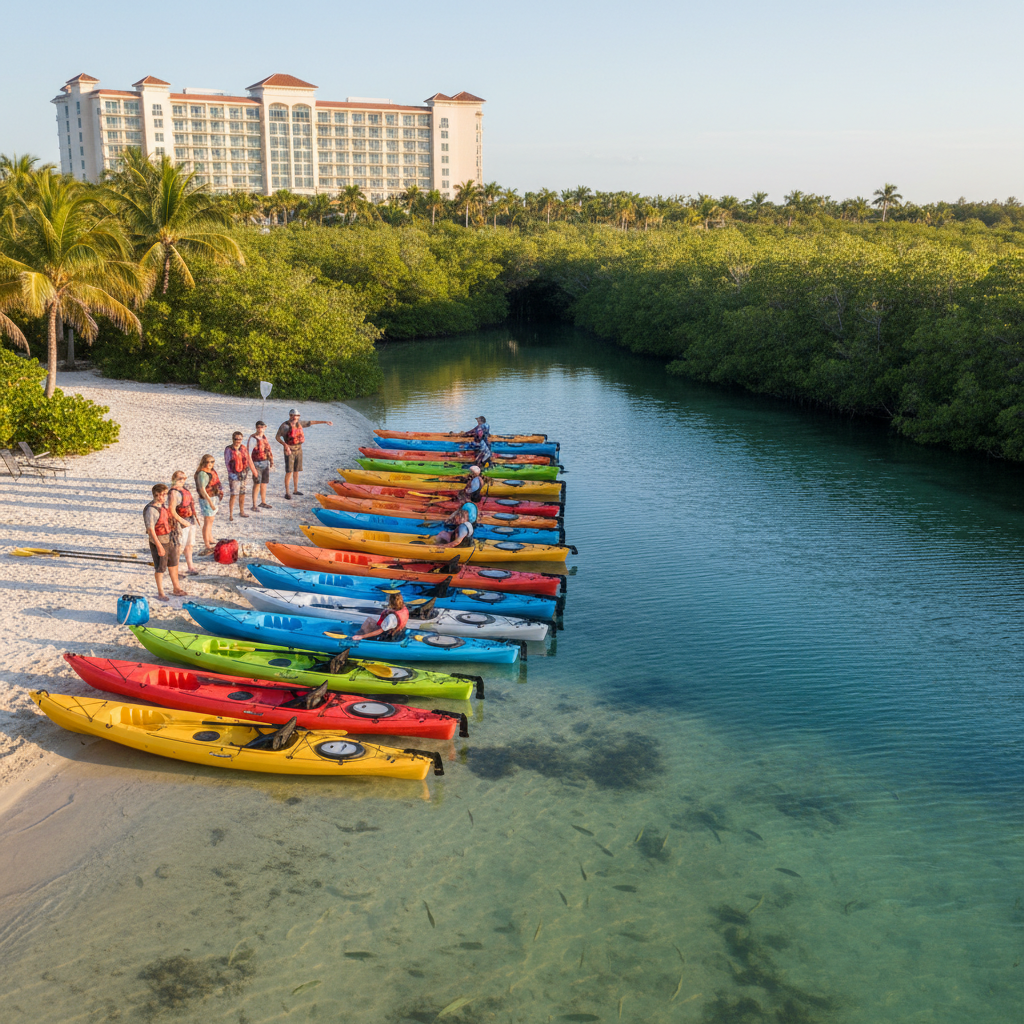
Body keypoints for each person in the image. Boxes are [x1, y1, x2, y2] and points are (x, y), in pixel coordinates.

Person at [276, 409, 333, 500]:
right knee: (289, 471)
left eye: (296, 416)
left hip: (299, 448)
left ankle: (295, 490)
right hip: (289, 449)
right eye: (292, 415)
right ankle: (287, 492)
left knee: (296, 470)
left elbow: (311, 422)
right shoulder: (285, 426)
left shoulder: (300, 423)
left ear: (299, 416)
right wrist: (285, 445)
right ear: (289, 416)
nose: (294, 417)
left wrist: (325, 422)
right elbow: (277, 437)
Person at [143, 484, 185, 601]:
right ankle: (160, 592)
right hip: (160, 541)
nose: (163, 497)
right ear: (155, 495)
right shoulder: (151, 510)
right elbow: (151, 530)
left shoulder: (162, 506)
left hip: (169, 538)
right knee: (160, 567)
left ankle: (176, 588)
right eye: (160, 495)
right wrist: (159, 546)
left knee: (173, 564)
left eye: (164, 494)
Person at [168, 469, 200, 576]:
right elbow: (171, 511)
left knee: (189, 545)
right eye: (180, 478)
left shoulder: (184, 489)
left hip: (190, 519)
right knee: (178, 547)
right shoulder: (173, 492)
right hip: (180, 522)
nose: (183, 480)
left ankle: (190, 566)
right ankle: (174, 570)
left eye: (184, 478)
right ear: (174, 479)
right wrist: (182, 522)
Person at [224, 431, 256, 522]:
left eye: (240, 439)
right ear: (233, 439)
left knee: (242, 493)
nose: (238, 441)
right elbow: (227, 463)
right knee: (234, 494)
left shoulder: (243, 448)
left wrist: (248, 470)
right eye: (236, 439)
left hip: (243, 473)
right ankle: (231, 514)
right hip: (234, 475)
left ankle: (241, 511)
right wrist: (232, 474)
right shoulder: (229, 449)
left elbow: (247, 459)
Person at [194, 454, 222, 555]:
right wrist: (210, 502)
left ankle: (210, 538)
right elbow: (202, 489)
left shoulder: (211, 471)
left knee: (211, 519)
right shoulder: (202, 473)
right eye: (208, 462)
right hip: (207, 499)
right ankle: (207, 543)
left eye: (212, 462)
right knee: (207, 521)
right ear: (203, 462)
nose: (210, 464)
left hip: (213, 497)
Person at [248, 420, 275, 511]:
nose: (260, 429)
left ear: (265, 428)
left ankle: (263, 502)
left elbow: (268, 449)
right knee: (257, 484)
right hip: (256, 463)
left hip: (265, 461)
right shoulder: (253, 438)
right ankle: (254, 504)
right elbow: (248, 453)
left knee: (264, 483)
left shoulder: (264, 437)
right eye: (258, 427)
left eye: (262, 427)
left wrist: (271, 460)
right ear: (256, 428)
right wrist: (252, 468)